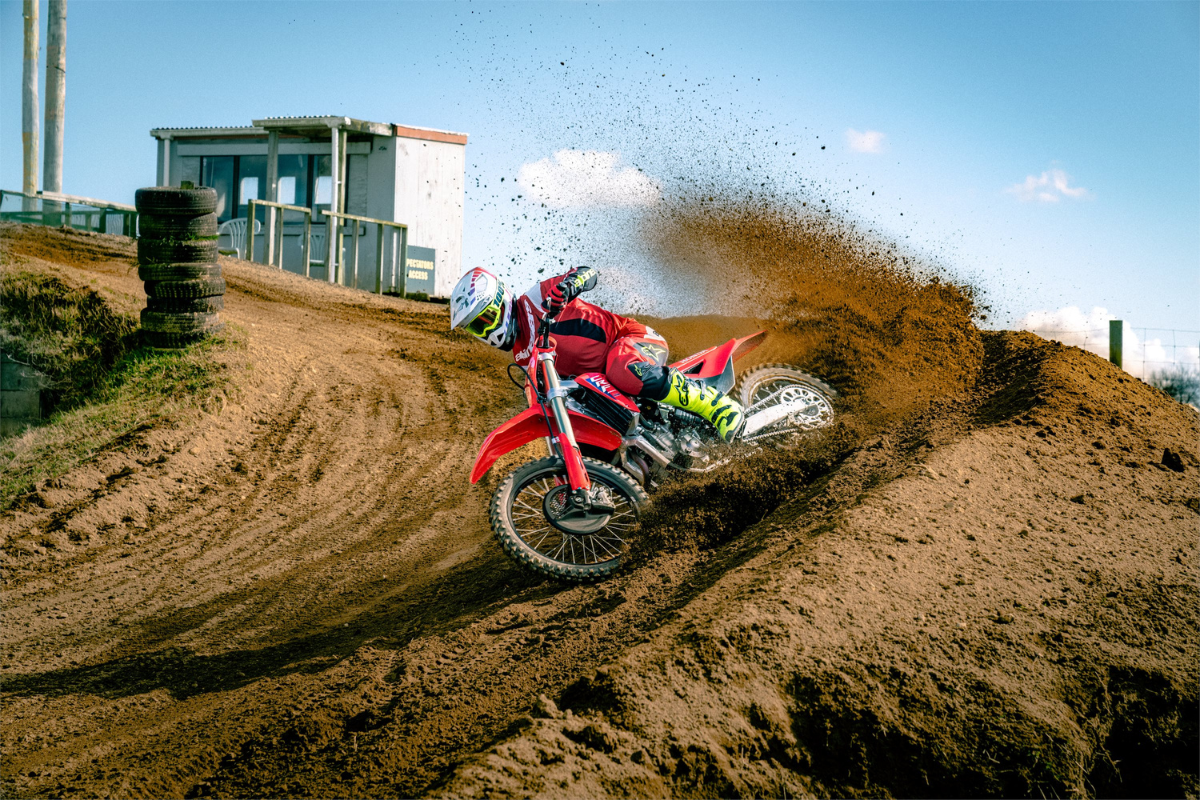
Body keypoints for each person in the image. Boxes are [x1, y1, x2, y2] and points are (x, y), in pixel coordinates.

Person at [450, 266, 745, 442]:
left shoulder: (536, 298)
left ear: (499, 304)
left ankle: (717, 406)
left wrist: (569, 285)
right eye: (475, 329)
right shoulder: (521, 356)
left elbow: (588, 273)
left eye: (482, 320)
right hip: (606, 385)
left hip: (632, 339)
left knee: (622, 369)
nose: (484, 332)